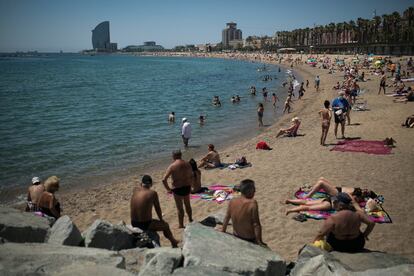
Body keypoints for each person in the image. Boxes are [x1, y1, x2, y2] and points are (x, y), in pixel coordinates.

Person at [130, 175, 179, 247]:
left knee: (152, 221)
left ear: (141, 184)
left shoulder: (135, 190)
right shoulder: (153, 193)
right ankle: (173, 242)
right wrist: (161, 220)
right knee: (165, 226)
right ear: (151, 184)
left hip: (133, 222)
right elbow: (157, 208)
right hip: (145, 224)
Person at [221, 179, 267, 246]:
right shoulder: (252, 203)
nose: (255, 191)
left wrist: (223, 229)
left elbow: (227, 217)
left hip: (236, 235)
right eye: (254, 189)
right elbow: (256, 224)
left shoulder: (232, 201)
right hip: (249, 238)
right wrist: (259, 241)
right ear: (250, 191)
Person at [162, 150, 193, 228]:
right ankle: (190, 219)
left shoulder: (172, 166)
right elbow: (191, 175)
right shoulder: (188, 164)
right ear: (181, 155)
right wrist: (190, 184)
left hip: (177, 189)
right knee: (187, 205)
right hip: (187, 187)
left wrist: (168, 189)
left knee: (180, 208)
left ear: (174, 156)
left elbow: (164, 180)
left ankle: (181, 225)